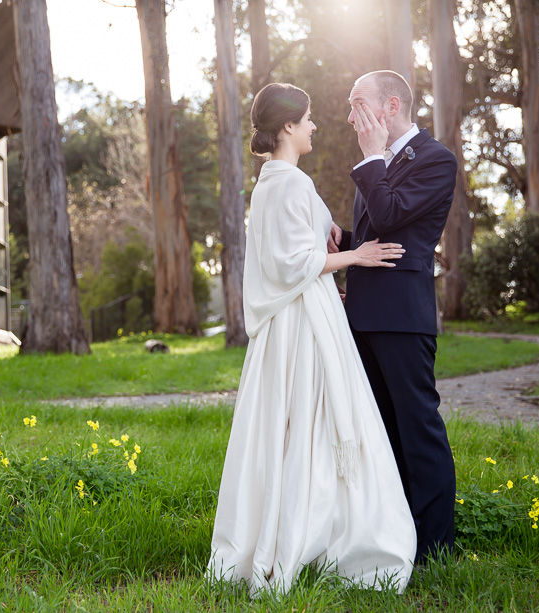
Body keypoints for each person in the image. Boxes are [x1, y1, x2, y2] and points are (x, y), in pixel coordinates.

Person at [207, 82, 417, 597]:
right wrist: (357, 256)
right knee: (310, 418)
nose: (315, 126)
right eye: (307, 120)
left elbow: (300, 246)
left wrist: (336, 243)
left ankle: (307, 523)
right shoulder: (287, 183)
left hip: (307, 310)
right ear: (286, 128)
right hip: (302, 322)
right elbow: (289, 264)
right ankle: (321, 536)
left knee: (302, 422)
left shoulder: (278, 181)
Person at [328, 70, 458, 564]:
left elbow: (389, 215)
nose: (349, 114)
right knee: (380, 431)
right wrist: (341, 243)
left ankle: (436, 548)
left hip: (403, 318)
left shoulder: (435, 159)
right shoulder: (376, 162)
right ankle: (395, 536)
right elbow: (373, 235)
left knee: (418, 429)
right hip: (363, 315)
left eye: (358, 101)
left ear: (391, 105)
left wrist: (370, 157)